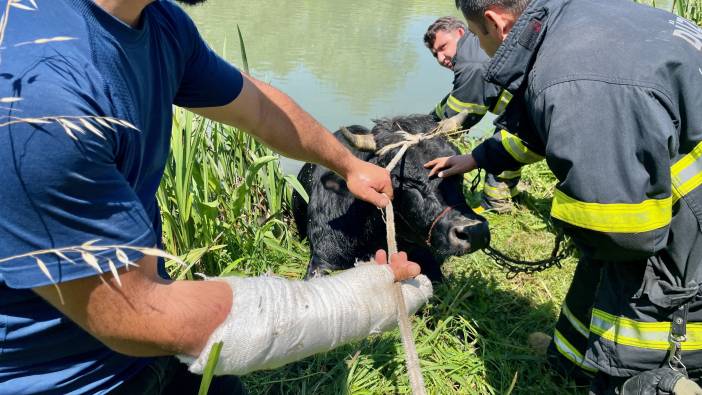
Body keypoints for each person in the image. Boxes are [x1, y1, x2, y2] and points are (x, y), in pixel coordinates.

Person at [0, 0, 433, 394]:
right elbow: (141, 316)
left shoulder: (158, 23)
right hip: (63, 378)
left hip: (159, 346)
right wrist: (363, 299)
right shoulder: (40, 95)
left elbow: (261, 108)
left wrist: (349, 164)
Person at [425, 0, 702, 393]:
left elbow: (625, 234)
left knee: (645, 324)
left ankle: (637, 375)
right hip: (667, 177)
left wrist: (571, 217)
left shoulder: (572, 79)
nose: (477, 45)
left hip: (684, 219)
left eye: (475, 33)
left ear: (495, 21)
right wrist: (476, 157)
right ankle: (568, 360)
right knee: (594, 271)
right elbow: (539, 131)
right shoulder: (578, 17)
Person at [424, 16, 535, 213]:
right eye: (435, 55)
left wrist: (424, 133)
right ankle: (509, 197)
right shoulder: (474, 49)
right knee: (506, 135)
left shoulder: (470, 65)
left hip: (532, 112)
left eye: (443, 47)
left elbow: (457, 119)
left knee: (502, 144)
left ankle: (496, 207)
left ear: (459, 33)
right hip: (528, 105)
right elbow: (458, 97)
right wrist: (430, 118)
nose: (441, 58)